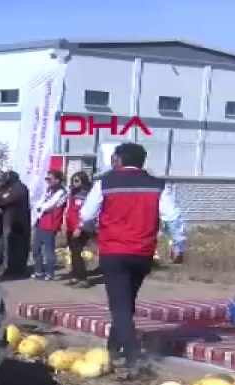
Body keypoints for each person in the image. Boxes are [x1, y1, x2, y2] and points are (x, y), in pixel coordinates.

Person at [78, 143, 187, 371]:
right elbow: (172, 217)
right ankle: (113, 348)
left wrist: (88, 230)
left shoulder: (105, 183)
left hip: (113, 251)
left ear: (118, 159)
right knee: (126, 304)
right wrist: (178, 244)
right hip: (142, 252)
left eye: (113, 157)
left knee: (119, 307)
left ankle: (133, 356)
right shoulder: (157, 185)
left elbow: (86, 214)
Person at [30, 170, 67, 280]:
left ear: (57, 180)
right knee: (36, 248)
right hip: (41, 221)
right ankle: (38, 271)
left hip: (51, 223)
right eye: (46, 179)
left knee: (48, 250)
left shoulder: (61, 192)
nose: (47, 181)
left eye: (49, 179)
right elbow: (40, 202)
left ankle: (50, 273)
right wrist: (37, 207)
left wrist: (40, 207)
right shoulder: (48, 190)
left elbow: (51, 205)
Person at [0, 169, 31, 278]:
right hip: (9, 221)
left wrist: (0, 200)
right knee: (9, 245)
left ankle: (15, 269)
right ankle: (8, 267)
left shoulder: (19, 188)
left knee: (15, 246)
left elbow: (6, 199)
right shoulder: (9, 187)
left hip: (17, 221)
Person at [63, 171, 94, 287]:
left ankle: (83, 278)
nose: (74, 183)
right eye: (73, 180)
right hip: (70, 226)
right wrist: (64, 223)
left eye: (77, 181)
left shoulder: (87, 195)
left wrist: (79, 227)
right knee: (73, 252)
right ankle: (75, 275)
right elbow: (69, 210)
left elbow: (87, 213)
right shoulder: (73, 193)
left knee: (77, 252)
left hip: (81, 227)